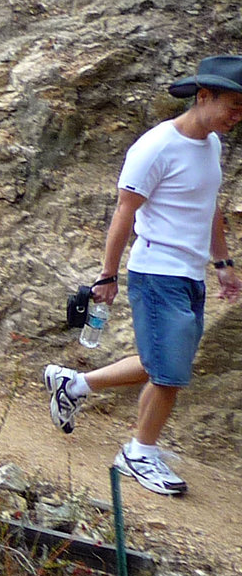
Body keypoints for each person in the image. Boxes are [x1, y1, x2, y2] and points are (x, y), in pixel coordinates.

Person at [42, 55, 242, 496]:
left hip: (191, 276)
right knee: (169, 373)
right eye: (234, 105)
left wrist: (223, 264)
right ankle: (138, 453)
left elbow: (210, 208)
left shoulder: (211, 144)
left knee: (165, 364)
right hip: (156, 273)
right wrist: (107, 275)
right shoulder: (154, 147)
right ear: (203, 96)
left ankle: (73, 384)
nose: (238, 116)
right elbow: (124, 213)